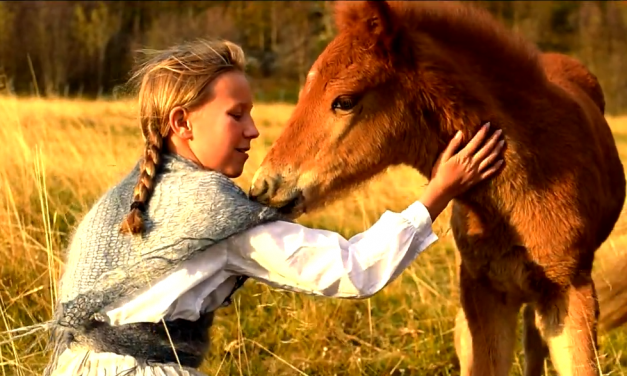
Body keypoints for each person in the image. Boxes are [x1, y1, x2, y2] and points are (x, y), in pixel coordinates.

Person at [44, 39, 505, 376]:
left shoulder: (117, 204)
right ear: (182, 122)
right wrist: (438, 193)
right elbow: (352, 270)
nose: (253, 131)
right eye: (236, 114)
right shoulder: (214, 213)